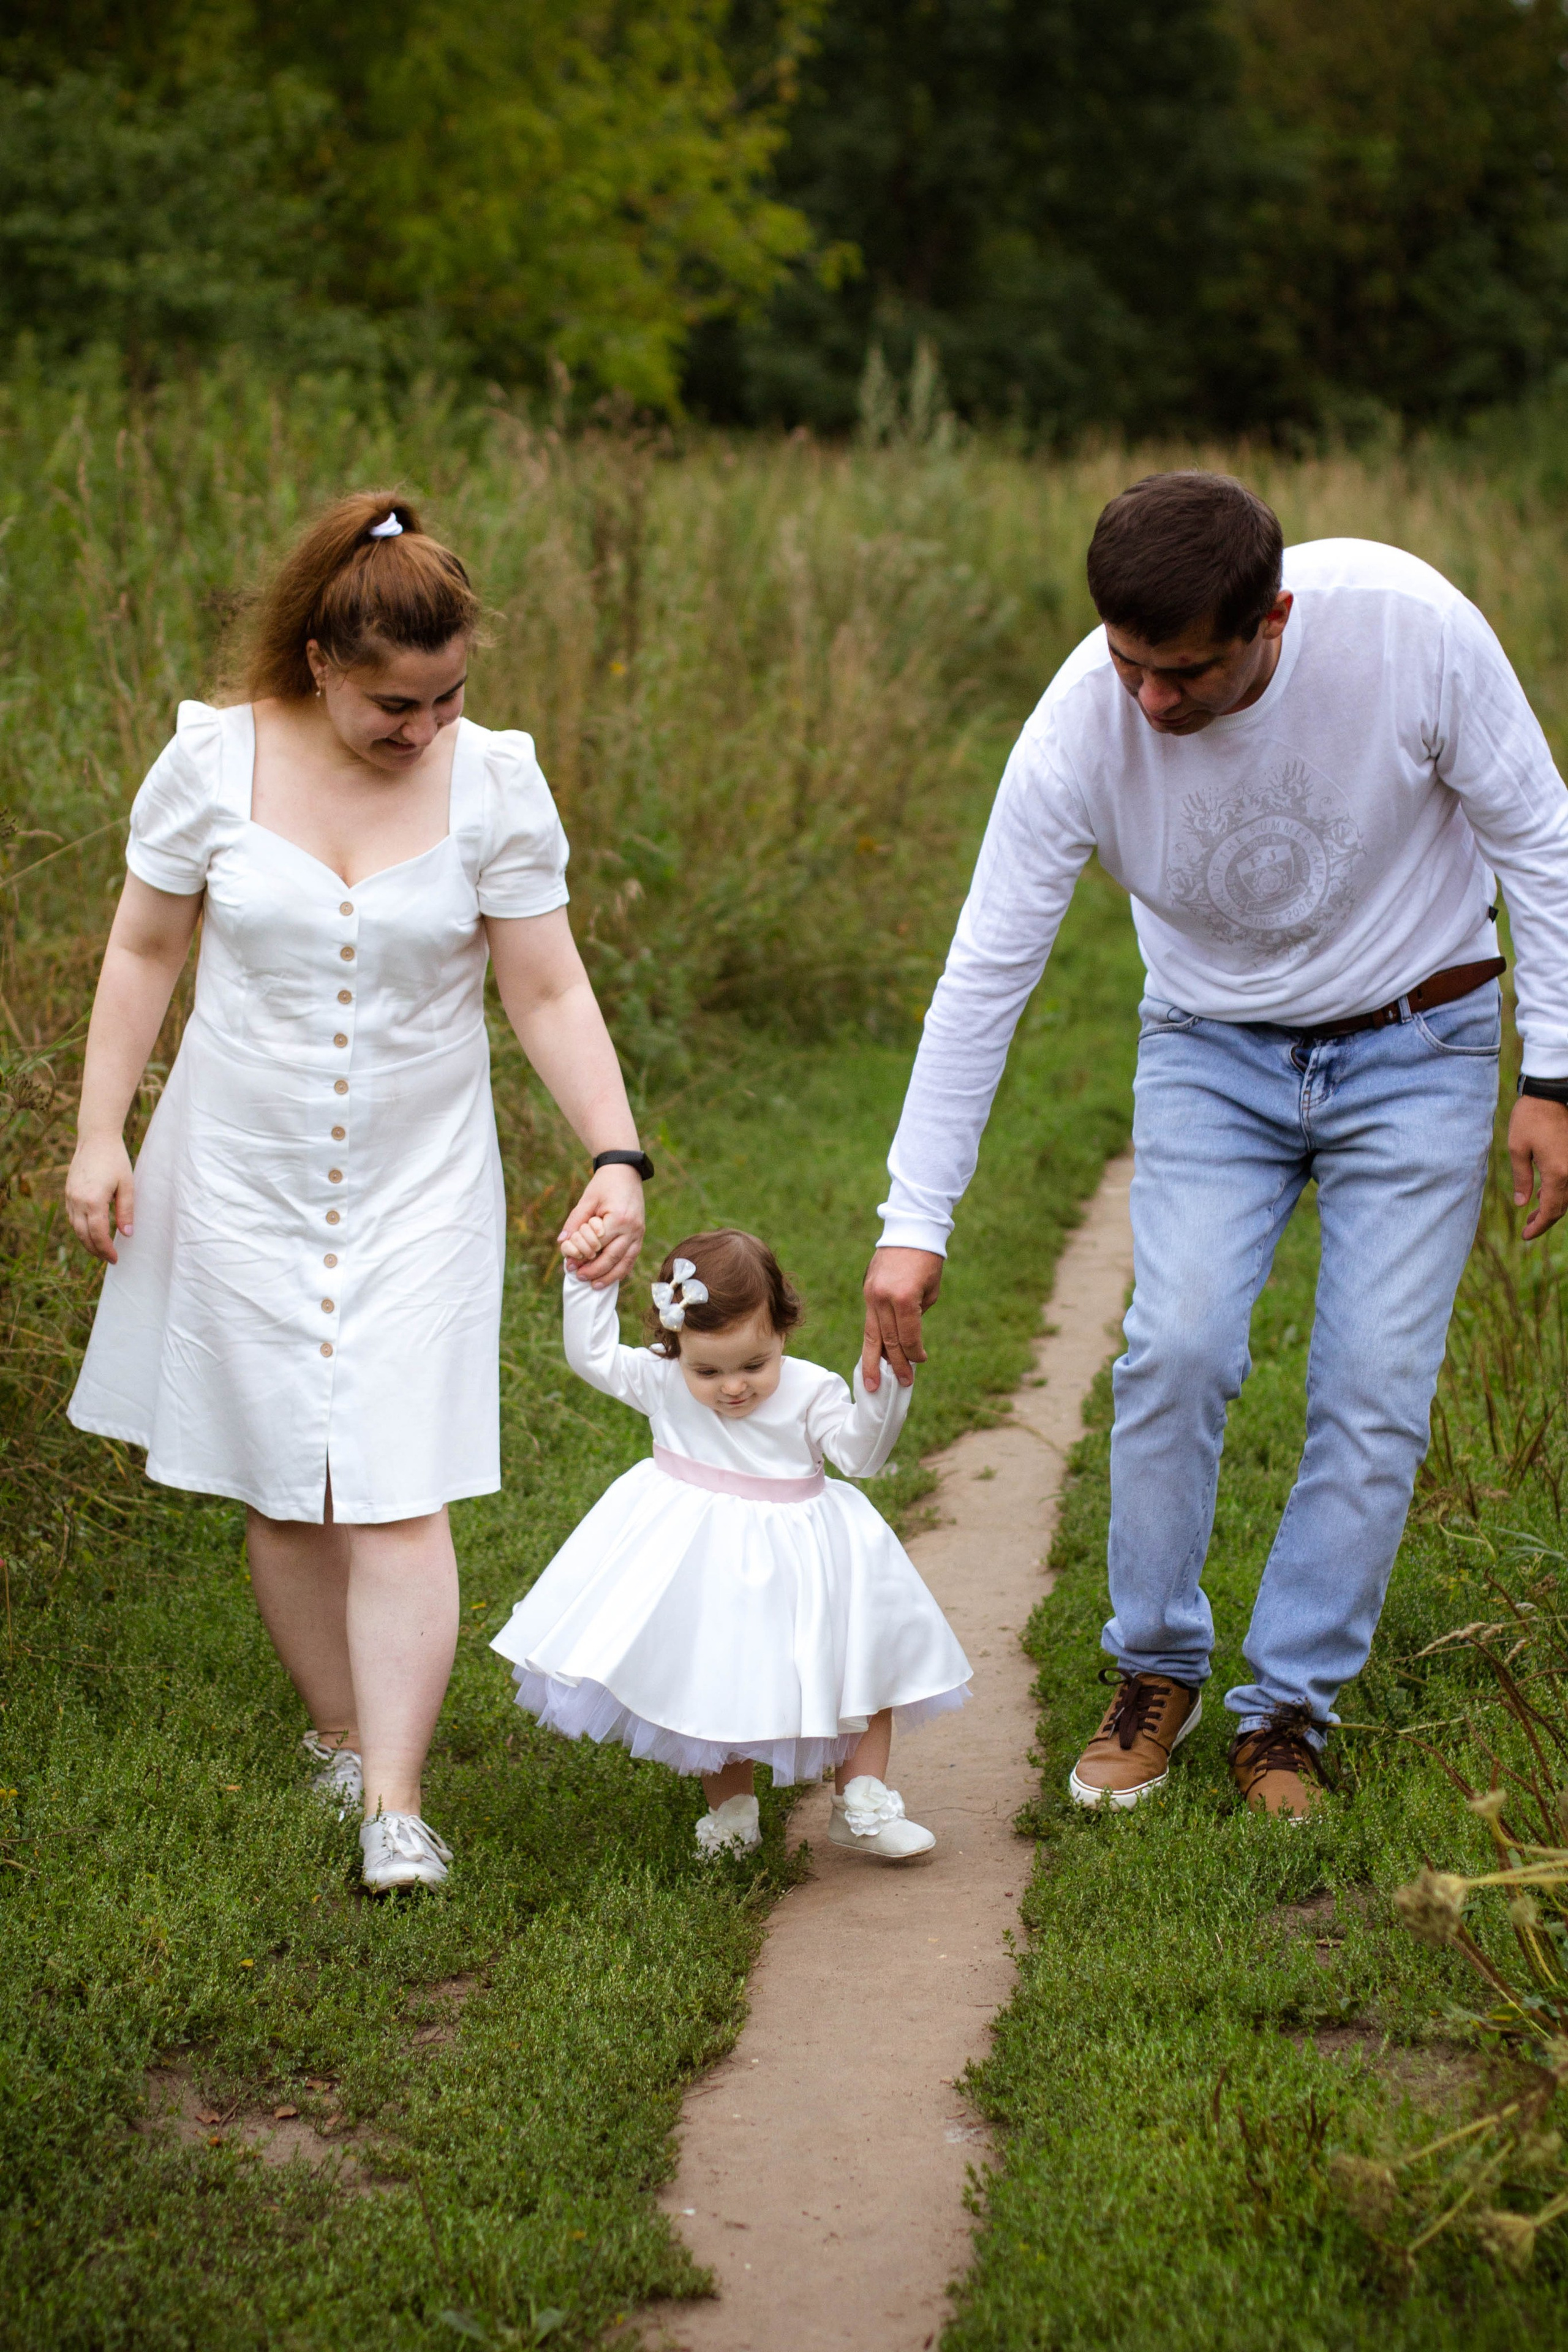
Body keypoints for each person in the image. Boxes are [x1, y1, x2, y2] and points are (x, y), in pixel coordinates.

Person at [861, 470, 1568, 1819]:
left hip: (1416, 1040)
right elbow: (984, 971)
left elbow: (1535, 842)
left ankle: (1286, 1710)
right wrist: (914, 1217)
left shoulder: (1410, 630)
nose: (1149, 704)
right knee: (1174, 1347)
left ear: (1272, 621)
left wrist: (1553, 1076)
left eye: (1180, 674)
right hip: (1209, 1049)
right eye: (1127, 664)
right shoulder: (1083, 719)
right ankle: (1152, 1669)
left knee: (1368, 1389)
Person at [65, 491, 650, 1891]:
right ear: (319, 660)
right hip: (239, 1171)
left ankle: (396, 1799)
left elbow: (548, 983)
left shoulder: (493, 781)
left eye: (448, 698)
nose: (425, 730)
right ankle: (336, 1731)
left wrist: (615, 1151)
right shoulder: (210, 761)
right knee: (283, 1476)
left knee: (396, 1487)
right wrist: (102, 1134)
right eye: (397, 704)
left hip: (418, 1176)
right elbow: (144, 951)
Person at [491, 1226, 971, 1858]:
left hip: (806, 1560)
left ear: (782, 1330)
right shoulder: (662, 1380)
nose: (733, 1387)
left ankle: (863, 1800)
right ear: (673, 1344)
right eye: (707, 1370)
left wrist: (883, 1384)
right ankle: (731, 1814)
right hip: (703, 1562)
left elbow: (863, 1455)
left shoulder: (811, 1391)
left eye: (754, 1364)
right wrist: (586, 1280)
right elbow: (592, 1357)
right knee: (714, 1682)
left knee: (862, 1663)